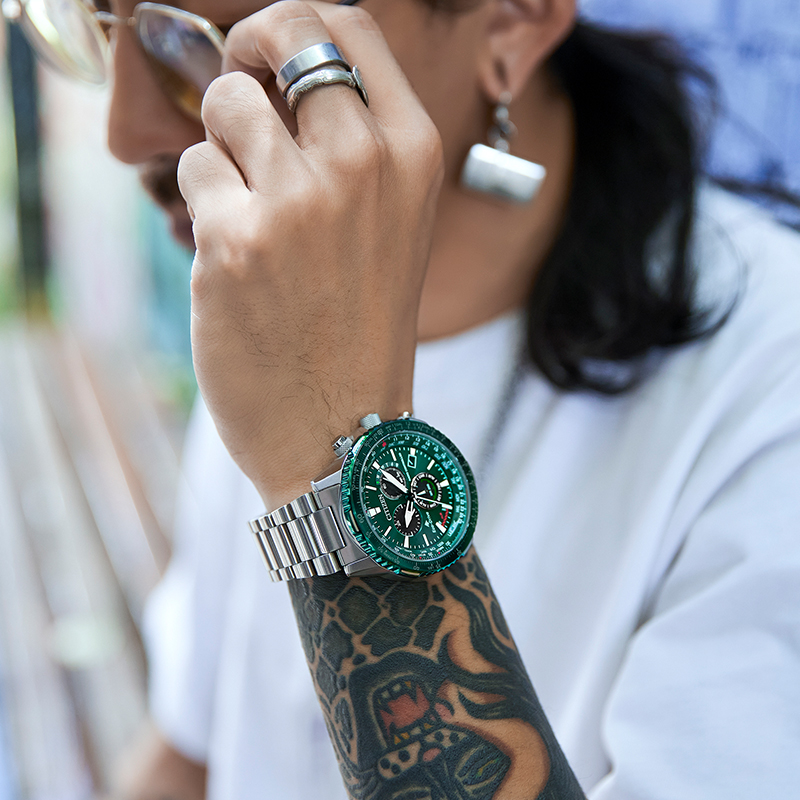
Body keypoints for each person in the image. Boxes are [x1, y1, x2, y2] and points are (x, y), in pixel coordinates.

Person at [6, 0, 800, 798]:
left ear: (512, 20)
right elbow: (195, 750)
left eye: (202, 40)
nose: (126, 132)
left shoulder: (767, 404)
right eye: (93, 21)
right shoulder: (278, 279)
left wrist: (331, 445)